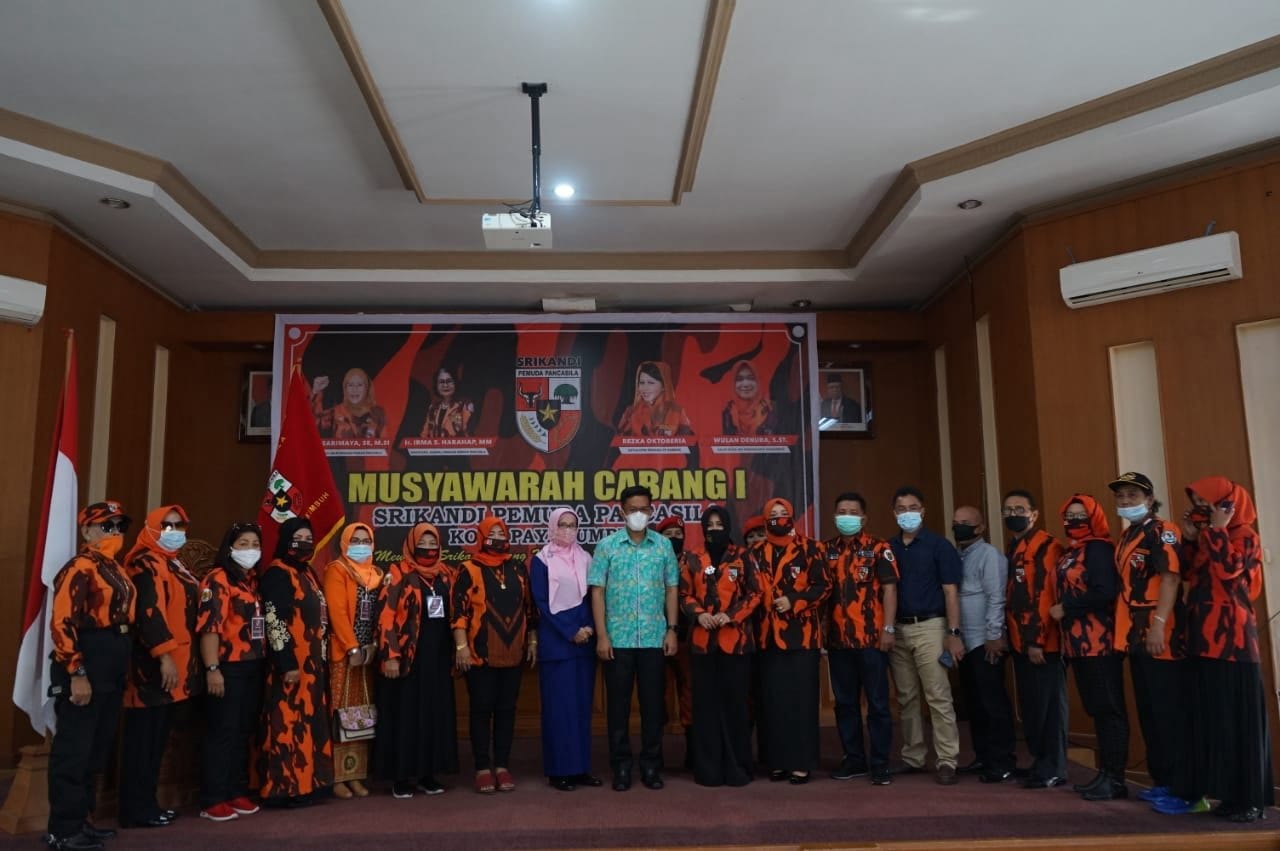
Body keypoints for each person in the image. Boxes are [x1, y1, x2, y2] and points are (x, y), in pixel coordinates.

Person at [1177, 477, 1271, 822]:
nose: (1202, 509)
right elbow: (1191, 574)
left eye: (1208, 503)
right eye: (1198, 503)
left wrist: (1217, 530)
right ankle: (1228, 795)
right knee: (1218, 722)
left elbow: (1229, 570)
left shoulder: (1245, 536)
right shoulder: (1208, 537)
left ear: (1227, 505)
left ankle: (1251, 800)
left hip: (1235, 644)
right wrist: (1191, 538)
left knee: (1240, 723)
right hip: (1203, 641)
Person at [45, 501, 136, 851]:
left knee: (96, 749)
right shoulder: (79, 567)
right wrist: (76, 671)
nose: (115, 532)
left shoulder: (114, 567)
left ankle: (82, 819)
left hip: (112, 662)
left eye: (119, 526)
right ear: (86, 530)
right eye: (106, 526)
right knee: (75, 749)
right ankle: (63, 830)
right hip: (86, 659)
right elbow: (62, 622)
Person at [1108, 472, 1193, 811]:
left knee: (1169, 712)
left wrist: (1159, 625)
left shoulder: (1163, 530)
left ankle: (1186, 790)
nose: (1125, 501)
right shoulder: (1129, 535)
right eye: (1120, 496)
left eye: (1132, 495)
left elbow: (1170, 578)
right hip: (1134, 635)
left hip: (1162, 634)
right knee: (1150, 712)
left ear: (1149, 498)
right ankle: (1163, 781)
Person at [589, 485, 680, 791]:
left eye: (644, 509)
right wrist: (602, 635)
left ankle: (652, 766)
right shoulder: (607, 546)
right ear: (622, 512)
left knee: (653, 708)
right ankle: (621, 767)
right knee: (618, 708)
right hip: (618, 640)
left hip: (654, 639)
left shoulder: (663, 546)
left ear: (652, 511)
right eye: (632, 510)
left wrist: (672, 629)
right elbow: (597, 592)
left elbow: (672, 589)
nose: (638, 514)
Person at [119, 504, 201, 829]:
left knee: (157, 740)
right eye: (167, 525)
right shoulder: (144, 563)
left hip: (176, 666)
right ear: (152, 527)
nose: (174, 532)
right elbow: (149, 613)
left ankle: (148, 804)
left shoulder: (174, 563)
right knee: (143, 740)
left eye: (179, 526)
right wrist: (164, 656)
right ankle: (134, 809)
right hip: (151, 666)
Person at [1048, 494, 1128, 801]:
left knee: (1108, 709)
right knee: (1097, 709)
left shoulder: (1098, 548)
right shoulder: (1073, 550)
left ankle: (1115, 778)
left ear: (1094, 517)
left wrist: (1066, 607)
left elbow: (1104, 591)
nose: (1074, 520)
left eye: (1081, 515)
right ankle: (1105, 774)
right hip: (1077, 645)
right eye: (1069, 515)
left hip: (1099, 642)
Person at [452, 517, 537, 794]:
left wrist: (532, 640)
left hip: (513, 654)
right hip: (480, 655)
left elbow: (529, 609)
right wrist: (462, 647)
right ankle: (482, 768)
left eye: (502, 532)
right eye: (493, 532)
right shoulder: (468, 569)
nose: (498, 537)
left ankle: (502, 766)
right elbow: (459, 613)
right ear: (481, 535)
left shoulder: (517, 568)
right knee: (481, 710)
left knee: (506, 710)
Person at [887, 486, 964, 784]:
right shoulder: (889, 547)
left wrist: (953, 633)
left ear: (923, 510)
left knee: (938, 695)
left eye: (913, 507)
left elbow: (951, 592)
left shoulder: (939, 546)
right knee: (906, 697)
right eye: (901, 508)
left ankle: (947, 759)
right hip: (898, 629)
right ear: (894, 513)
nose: (907, 513)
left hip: (931, 626)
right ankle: (913, 756)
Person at [375, 522, 459, 799]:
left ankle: (427, 774)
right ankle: (401, 778)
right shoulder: (398, 573)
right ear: (412, 544)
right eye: (422, 543)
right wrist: (391, 655)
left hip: (438, 657)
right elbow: (385, 615)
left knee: (433, 715)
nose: (428, 548)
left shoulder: (446, 574)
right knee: (406, 716)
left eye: (433, 543)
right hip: (407, 659)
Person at [749, 497, 829, 784]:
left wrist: (793, 600)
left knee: (801, 702)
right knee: (772, 703)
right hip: (766, 638)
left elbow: (823, 587)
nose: (779, 518)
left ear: (792, 516)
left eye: (784, 513)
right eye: (773, 514)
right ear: (765, 519)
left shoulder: (811, 548)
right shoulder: (755, 552)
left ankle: (801, 763)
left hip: (802, 638)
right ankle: (777, 762)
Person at [680, 506, 760, 787]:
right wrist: (699, 614)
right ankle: (708, 770)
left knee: (736, 707)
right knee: (705, 708)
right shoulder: (692, 557)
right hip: (703, 644)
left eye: (719, 524)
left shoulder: (743, 556)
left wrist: (731, 615)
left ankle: (737, 768)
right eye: (710, 525)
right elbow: (683, 594)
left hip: (735, 643)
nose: (715, 529)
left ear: (728, 526)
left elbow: (755, 594)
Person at [257, 517, 333, 807]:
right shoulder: (278, 573)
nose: (304, 543)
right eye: (298, 538)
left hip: (313, 665)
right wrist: (286, 662)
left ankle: (309, 784)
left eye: (308, 538)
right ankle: (284, 788)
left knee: (310, 724)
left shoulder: (307, 572)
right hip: (291, 665)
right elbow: (274, 620)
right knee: (287, 724)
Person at [824, 492, 898, 787]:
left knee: (878, 704)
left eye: (853, 512)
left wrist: (888, 629)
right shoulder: (826, 550)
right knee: (845, 704)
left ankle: (880, 764)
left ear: (864, 518)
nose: (847, 517)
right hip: (838, 641)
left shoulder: (879, 548)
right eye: (842, 512)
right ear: (834, 516)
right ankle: (853, 759)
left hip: (871, 639)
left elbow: (890, 590)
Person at [197, 522, 267, 822]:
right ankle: (213, 798)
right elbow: (209, 627)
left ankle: (235, 790)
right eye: (243, 544)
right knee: (222, 731)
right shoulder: (217, 579)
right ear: (230, 548)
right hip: (227, 666)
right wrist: (212, 668)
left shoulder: (251, 581)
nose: (250, 550)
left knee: (242, 731)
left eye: (255, 544)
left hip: (253, 664)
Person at [529, 508, 600, 792]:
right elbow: (542, 603)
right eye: (563, 525)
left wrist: (590, 627)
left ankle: (581, 768)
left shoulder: (586, 558)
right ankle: (560, 771)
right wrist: (571, 631)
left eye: (572, 525)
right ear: (552, 527)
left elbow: (594, 596)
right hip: (558, 645)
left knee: (581, 709)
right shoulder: (541, 560)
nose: (568, 530)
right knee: (560, 711)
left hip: (584, 645)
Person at [1001, 490, 1068, 789]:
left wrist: (1036, 640)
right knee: (1032, 707)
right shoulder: (1016, 546)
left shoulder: (1047, 546)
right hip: (1020, 642)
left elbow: (1044, 596)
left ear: (1034, 514)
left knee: (1049, 708)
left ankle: (1053, 767)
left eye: (1019, 509)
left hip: (1041, 644)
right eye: (1008, 510)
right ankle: (1040, 762)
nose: (1013, 514)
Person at [951, 505, 1015, 784]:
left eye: (966, 522)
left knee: (992, 703)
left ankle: (1002, 761)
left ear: (981, 527)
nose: (959, 527)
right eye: (956, 522)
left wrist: (993, 634)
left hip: (985, 640)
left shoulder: (989, 555)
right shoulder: (958, 555)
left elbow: (996, 596)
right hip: (965, 641)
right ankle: (984, 756)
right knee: (974, 703)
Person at [322, 522, 384, 799]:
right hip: (345, 655)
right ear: (345, 543)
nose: (361, 545)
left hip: (368, 654)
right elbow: (337, 612)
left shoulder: (377, 575)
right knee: (340, 713)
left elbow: (380, 614)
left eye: (365, 540)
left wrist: (373, 645)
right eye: (355, 540)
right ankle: (337, 777)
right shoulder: (337, 570)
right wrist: (352, 648)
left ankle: (356, 774)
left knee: (362, 716)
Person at [656, 515, 694, 768]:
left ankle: (694, 753)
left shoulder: (693, 561)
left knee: (691, 695)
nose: (673, 539)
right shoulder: (653, 560)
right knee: (656, 695)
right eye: (668, 535)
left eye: (677, 534)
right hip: (656, 637)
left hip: (687, 638)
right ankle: (655, 756)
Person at [616, 361, 693, 437]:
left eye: (650, 383)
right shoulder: (631, 411)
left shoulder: (677, 411)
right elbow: (619, 439)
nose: (645, 388)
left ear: (664, 386)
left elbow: (688, 440)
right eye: (642, 383)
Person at [312, 367, 386, 439]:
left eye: (359, 385)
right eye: (350, 385)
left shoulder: (378, 413)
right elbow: (315, 422)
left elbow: (385, 441)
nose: (355, 389)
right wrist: (317, 392)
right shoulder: (337, 411)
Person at [721, 361, 776, 436]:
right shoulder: (727, 411)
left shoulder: (772, 409)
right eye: (739, 379)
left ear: (759, 381)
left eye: (751, 378)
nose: (745, 384)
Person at [421, 365, 475, 438]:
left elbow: (466, 432)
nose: (445, 385)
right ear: (436, 385)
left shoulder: (464, 405)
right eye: (441, 382)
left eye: (449, 381)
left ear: (455, 383)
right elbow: (424, 434)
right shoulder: (433, 408)